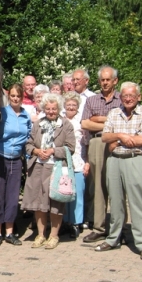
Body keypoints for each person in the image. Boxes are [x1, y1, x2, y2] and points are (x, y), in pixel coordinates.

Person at [95, 82, 142, 260]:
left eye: (132, 95)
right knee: (115, 202)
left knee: (138, 202)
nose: (128, 99)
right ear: (120, 97)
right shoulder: (114, 113)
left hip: (134, 159)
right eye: (125, 96)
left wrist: (118, 140)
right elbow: (106, 137)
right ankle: (113, 238)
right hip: (114, 161)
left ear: (139, 97)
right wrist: (122, 136)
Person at [22, 93, 75, 249]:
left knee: (55, 203)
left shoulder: (66, 125)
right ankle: (40, 234)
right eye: (48, 108)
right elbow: (28, 144)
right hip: (38, 167)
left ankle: (53, 235)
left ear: (59, 108)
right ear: (43, 109)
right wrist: (36, 151)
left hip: (56, 168)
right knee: (39, 203)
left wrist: (53, 151)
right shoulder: (38, 124)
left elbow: (70, 148)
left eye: (54, 108)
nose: (51, 111)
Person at [81, 66, 121, 243]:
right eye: (102, 80)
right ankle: (99, 227)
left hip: (118, 142)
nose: (105, 82)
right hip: (97, 143)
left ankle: (119, 228)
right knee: (97, 185)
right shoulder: (92, 100)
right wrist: (112, 121)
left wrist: (101, 119)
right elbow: (85, 124)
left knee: (118, 186)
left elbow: (125, 121)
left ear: (115, 81)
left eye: (108, 79)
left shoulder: (123, 99)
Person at [0, 84, 31, 247]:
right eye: (12, 96)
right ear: (9, 97)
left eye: (18, 96)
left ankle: (10, 232)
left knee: (13, 198)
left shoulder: (26, 116)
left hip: (16, 160)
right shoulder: (1, 112)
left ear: (22, 97)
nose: (15, 98)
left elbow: (28, 139)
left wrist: (28, 163)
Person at [62, 92, 89, 239]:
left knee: (78, 193)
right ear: (64, 106)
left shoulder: (82, 121)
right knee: (64, 192)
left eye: (74, 105)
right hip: (63, 163)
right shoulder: (60, 120)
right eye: (68, 105)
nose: (71, 107)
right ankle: (65, 222)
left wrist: (87, 162)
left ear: (78, 106)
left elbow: (87, 143)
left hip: (79, 161)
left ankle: (76, 223)